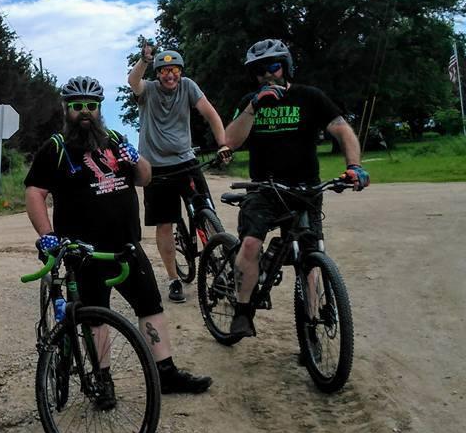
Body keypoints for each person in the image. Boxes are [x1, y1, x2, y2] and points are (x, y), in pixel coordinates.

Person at [24, 76, 212, 394]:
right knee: (96, 318)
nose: (85, 112)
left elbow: (144, 179)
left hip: (126, 245)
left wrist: (135, 159)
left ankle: (165, 373)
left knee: (151, 307)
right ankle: (102, 379)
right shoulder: (55, 148)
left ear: (100, 109)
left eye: (91, 106)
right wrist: (47, 236)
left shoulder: (113, 139)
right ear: (66, 109)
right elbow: (35, 193)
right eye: (77, 106)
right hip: (83, 252)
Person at [223, 39, 370, 338]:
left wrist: (354, 166)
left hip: (306, 189)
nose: (267, 75)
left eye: (273, 67)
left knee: (310, 256)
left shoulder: (310, 97)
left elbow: (343, 130)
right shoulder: (249, 102)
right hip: (263, 189)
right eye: (260, 71)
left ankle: (311, 327)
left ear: (286, 67)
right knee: (251, 244)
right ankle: (241, 310)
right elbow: (230, 140)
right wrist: (253, 106)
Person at [127, 43, 232, 304]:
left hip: (186, 162)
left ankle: (217, 266)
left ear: (180, 71)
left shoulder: (188, 86)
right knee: (165, 224)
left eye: (174, 69)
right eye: (164, 70)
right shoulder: (148, 90)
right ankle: (174, 279)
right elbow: (133, 81)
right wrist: (144, 60)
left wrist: (223, 143)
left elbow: (210, 113)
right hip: (156, 168)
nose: (170, 75)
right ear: (157, 73)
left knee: (205, 213)